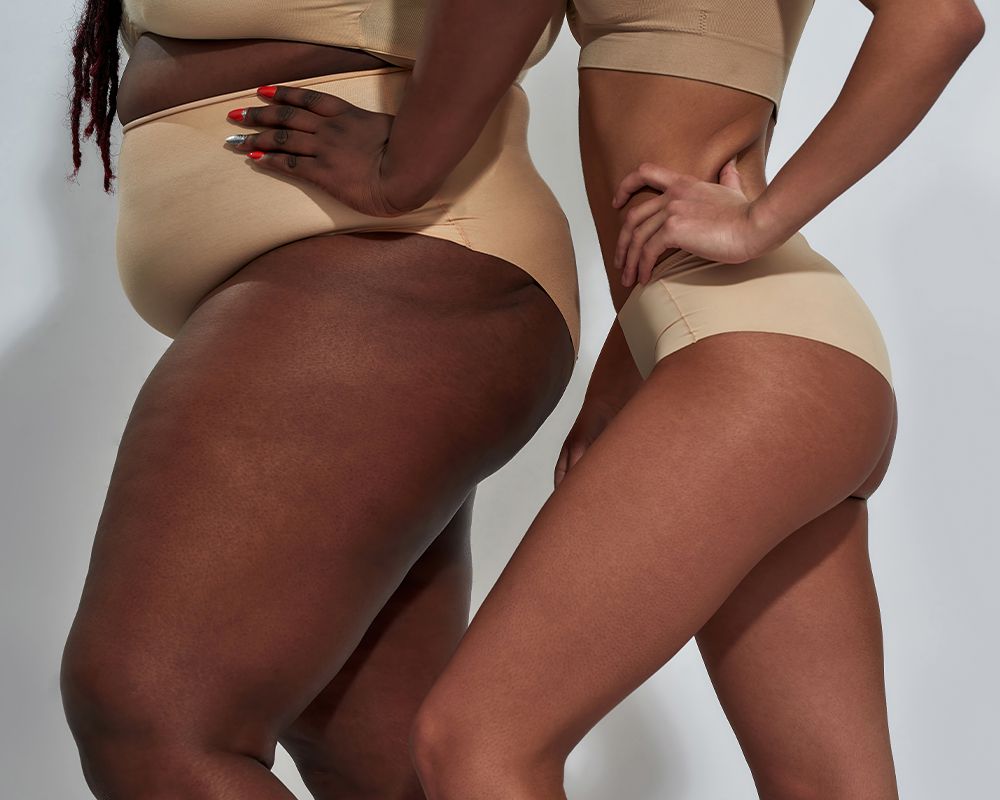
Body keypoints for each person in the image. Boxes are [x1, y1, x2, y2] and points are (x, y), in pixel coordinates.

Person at [403, 1, 986, 799]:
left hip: (755, 363)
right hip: (781, 357)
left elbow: (940, 20)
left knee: (473, 741)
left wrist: (759, 221)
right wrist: (625, 373)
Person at [59, 2, 581, 798]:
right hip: (363, 279)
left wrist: (402, 171)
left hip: (397, 256)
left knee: (151, 715)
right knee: (375, 767)